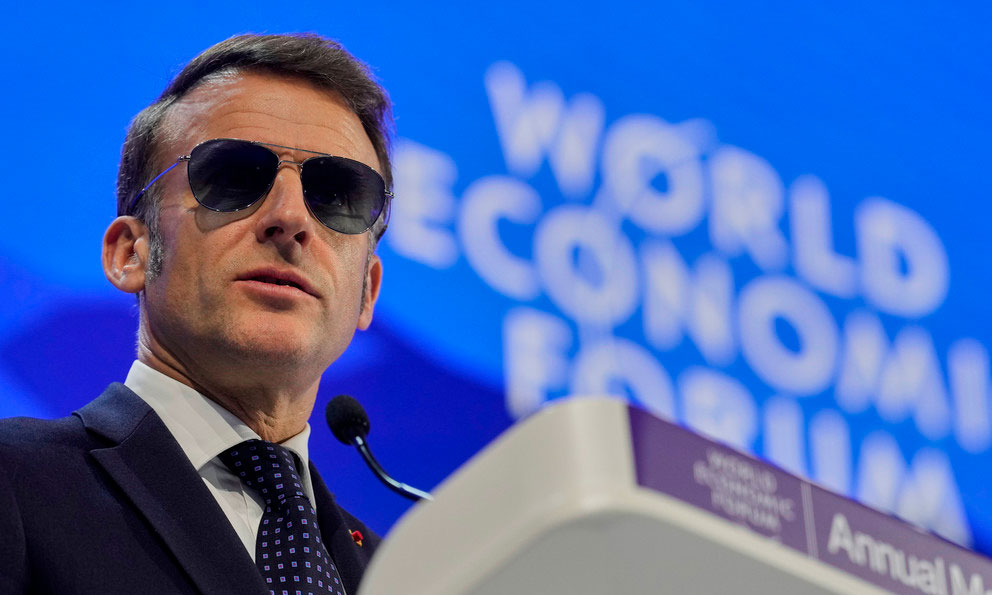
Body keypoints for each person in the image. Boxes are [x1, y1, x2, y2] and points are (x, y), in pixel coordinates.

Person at [0, 33, 394, 594]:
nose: (290, 218)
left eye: (335, 195)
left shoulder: (404, 577)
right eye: (234, 177)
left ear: (367, 292)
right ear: (131, 254)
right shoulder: (14, 481)